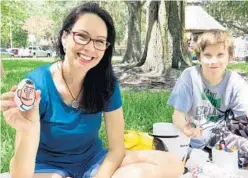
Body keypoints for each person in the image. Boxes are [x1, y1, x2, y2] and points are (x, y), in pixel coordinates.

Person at [0, 2, 184, 178]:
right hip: (47, 167)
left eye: (99, 41)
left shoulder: (105, 83)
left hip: (93, 161)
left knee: (173, 163)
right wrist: (28, 130)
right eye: (82, 36)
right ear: (64, 37)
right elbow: (19, 175)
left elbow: (116, 149)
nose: (90, 47)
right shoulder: (36, 85)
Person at [168, 30, 248, 176]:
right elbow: (177, 115)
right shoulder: (190, 77)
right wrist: (185, 127)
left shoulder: (234, 80)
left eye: (220, 55)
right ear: (199, 56)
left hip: (226, 122)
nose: (214, 61)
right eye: (207, 55)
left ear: (230, 57)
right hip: (207, 135)